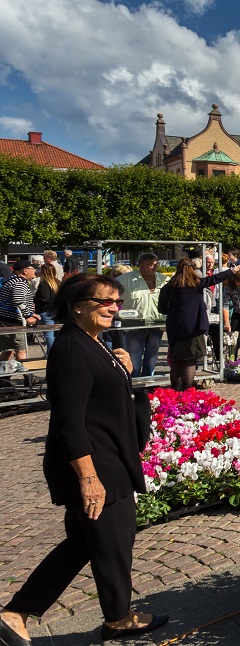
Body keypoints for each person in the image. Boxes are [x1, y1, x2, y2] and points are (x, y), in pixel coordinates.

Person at [0, 273, 168, 644]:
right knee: (113, 544)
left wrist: (122, 370)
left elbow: (100, 399)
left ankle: (16, 613)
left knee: (85, 544)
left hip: (109, 458)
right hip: (96, 465)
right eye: (104, 301)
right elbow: (69, 421)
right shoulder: (71, 349)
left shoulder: (94, 342)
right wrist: (88, 478)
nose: (113, 308)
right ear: (78, 305)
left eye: (118, 301)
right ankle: (118, 619)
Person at [159, 259, 240, 391]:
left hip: (174, 326)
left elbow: (161, 308)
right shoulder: (196, 284)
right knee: (190, 361)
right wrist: (233, 270)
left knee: (177, 360)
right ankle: (187, 391)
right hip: (193, 327)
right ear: (192, 270)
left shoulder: (168, 287)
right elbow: (216, 278)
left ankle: (175, 391)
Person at [114, 253, 165, 377]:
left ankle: (149, 383)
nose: (154, 267)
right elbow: (112, 294)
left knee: (152, 357)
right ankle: (134, 384)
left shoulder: (163, 279)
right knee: (134, 358)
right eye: (150, 265)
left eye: (156, 264)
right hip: (135, 325)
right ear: (141, 265)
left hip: (157, 324)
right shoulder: (125, 280)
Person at [0, 261, 39, 363]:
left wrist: (31, 313)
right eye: (32, 268)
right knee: (21, 350)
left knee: (8, 350)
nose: (34, 271)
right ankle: (28, 377)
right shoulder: (19, 282)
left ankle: (4, 375)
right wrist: (28, 316)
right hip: (12, 320)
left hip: (7, 319)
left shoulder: (15, 280)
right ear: (25, 271)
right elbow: (18, 300)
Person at [34, 263, 61, 350]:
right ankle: (56, 352)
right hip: (57, 310)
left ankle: (51, 353)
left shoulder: (44, 283)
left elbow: (44, 298)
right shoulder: (59, 282)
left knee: (48, 334)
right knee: (56, 333)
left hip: (46, 310)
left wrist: (35, 300)